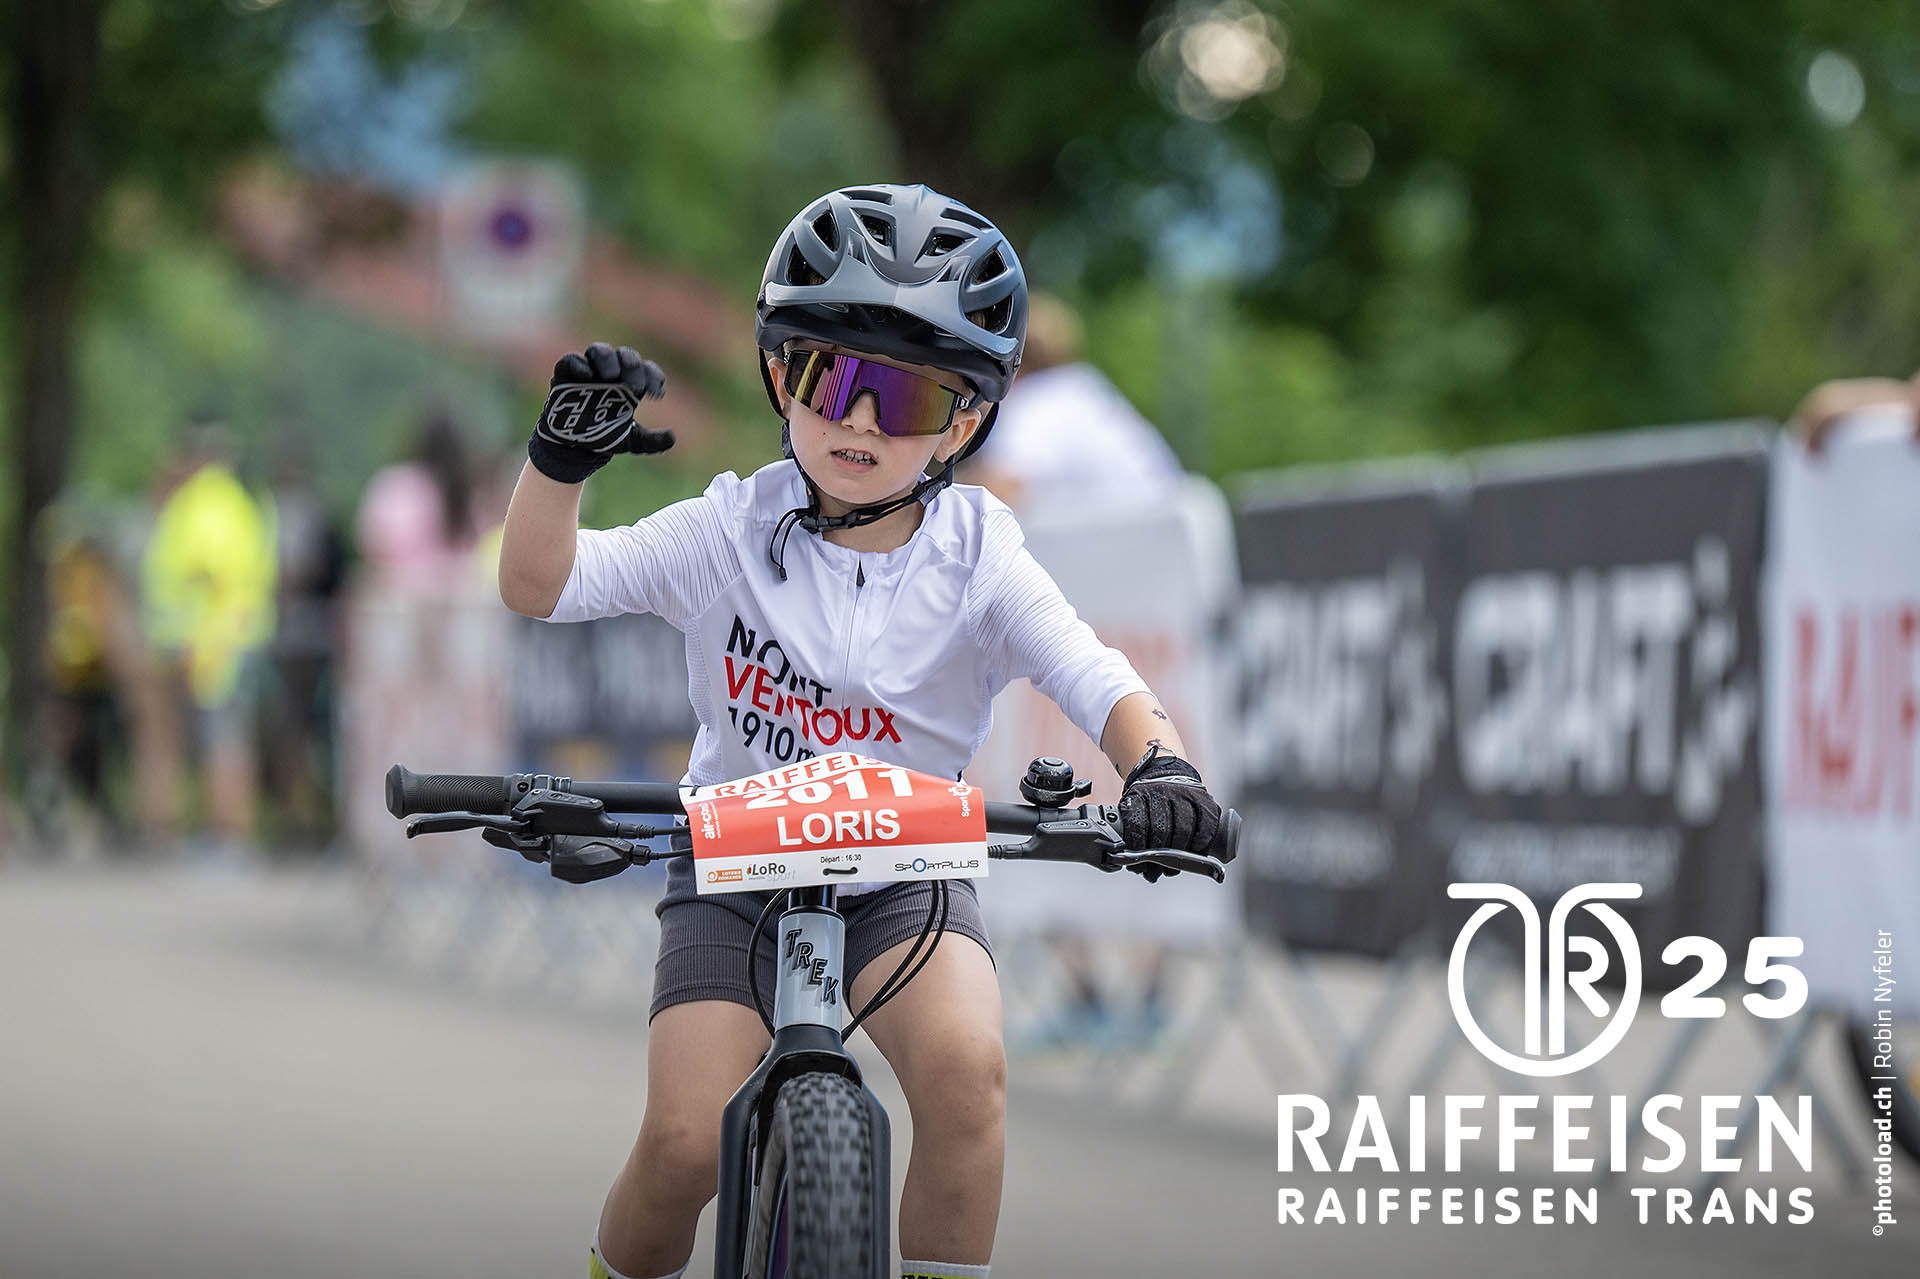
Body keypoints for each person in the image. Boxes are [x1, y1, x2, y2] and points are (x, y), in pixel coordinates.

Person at [495, 184, 1226, 1279]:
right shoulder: (726, 529)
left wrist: (1161, 763)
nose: (864, 422)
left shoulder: (980, 554)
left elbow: (1096, 676)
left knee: (970, 1078)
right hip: (734, 868)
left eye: (909, 394)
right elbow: (539, 585)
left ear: (966, 422)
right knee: (684, 1145)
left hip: (905, 870)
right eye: (834, 379)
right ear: (779, 377)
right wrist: (557, 470)